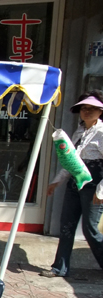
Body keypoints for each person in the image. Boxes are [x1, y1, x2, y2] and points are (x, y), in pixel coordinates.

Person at [42, 91, 103, 277]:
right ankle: (59, 267)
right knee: (66, 226)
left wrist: (101, 191)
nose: (87, 112)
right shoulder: (78, 132)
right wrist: (56, 182)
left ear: (100, 111)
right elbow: (72, 161)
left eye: (92, 108)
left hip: (94, 186)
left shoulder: (101, 133)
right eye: (84, 108)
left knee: (90, 229)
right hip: (74, 185)